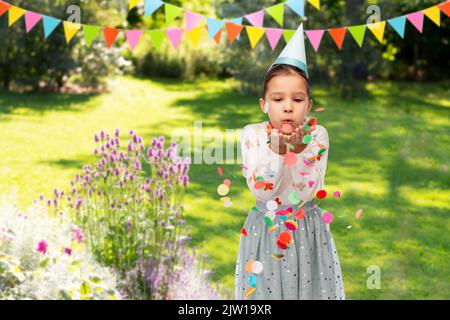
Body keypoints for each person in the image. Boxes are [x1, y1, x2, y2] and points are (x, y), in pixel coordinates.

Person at [235, 23, 345, 300]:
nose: (287, 106)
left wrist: (297, 154)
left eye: (297, 99)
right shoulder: (253, 135)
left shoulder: (317, 135)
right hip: (265, 231)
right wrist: (279, 154)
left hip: (307, 230)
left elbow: (308, 192)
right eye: (278, 98)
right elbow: (263, 191)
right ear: (264, 104)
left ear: (308, 106)